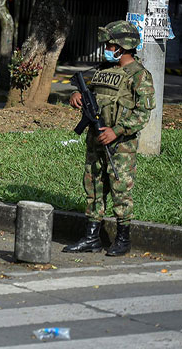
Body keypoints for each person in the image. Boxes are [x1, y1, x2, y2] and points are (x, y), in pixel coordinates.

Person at [63, 20, 154, 257]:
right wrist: (76, 96)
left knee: (120, 188)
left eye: (110, 44)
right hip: (95, 139)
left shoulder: (139, 75)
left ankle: (123, 239)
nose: (107, 48)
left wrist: (118, 130)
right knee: (93, 186)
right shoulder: (103, 70)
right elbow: (90, 93)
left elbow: (143, 114)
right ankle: (91, 237)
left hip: (120, 144)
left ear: (122, 47)